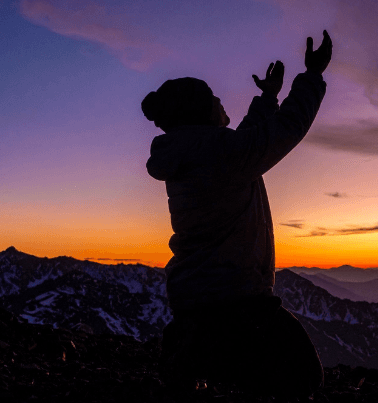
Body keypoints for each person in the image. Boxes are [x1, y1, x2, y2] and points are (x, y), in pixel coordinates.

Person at [141, 31, 333, 396]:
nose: (220, 101)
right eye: (214, 98)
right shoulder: (224, 154)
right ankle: (201, 358)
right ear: (202, 112)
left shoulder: (197, 152)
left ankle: (192, 349)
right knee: (304, 377)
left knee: (243, 360)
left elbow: (245, 142)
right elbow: (282, 130)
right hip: (236, 296)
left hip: (196, 292)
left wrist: (268, 98)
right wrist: (312, 75)